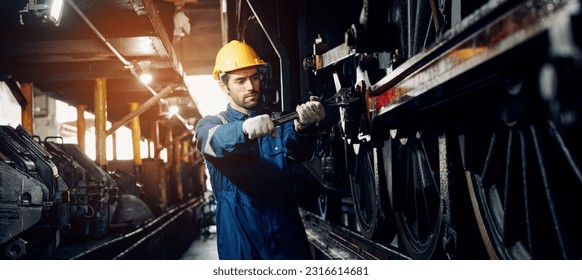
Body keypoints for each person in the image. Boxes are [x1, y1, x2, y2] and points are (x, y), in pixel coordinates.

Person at [194, 40, 326, 260]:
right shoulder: (212, 124)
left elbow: (302, 151)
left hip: (288, 242)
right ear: (224, 86)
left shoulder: (277, 121)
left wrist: (303, 125)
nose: (251, 87)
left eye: (254, 77)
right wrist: (243, 130)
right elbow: (209, 141)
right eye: (240, 81)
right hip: (243, 246)